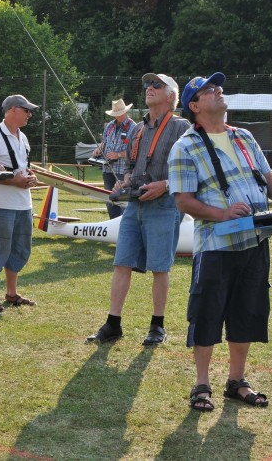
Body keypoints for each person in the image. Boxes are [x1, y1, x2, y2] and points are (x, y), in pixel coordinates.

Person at [169, 72, 272, 412]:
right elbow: (183, 201)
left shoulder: (244, 136)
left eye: (218, 87)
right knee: (207, 312)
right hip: (216, 246)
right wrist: (221, 214)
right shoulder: (185, 147)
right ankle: (202, 384)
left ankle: (237, 381)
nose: (218, 91)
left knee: (247, 311)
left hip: (256, 240)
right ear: (194, 106)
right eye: (209, 90)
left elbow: (269, 176)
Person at [86, 73, 190, 346]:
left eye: (156, 85)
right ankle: (113, 324)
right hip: (135, 204)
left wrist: (165, 185)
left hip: (164, 205)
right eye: (147, 85)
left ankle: (157, 326)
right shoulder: (137, 129)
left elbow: (192, 170)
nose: (149, 88)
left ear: (171, 96)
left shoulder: (182, 127)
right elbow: (131, 167)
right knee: (121, 262)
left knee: (160, 267)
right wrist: (125, 181)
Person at [0, 94, 40, 313]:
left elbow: (23, 167)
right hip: (0, 203)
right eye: (26, 110)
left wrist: (30, 176)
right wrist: (15, 181)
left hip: (24, 204)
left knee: (20, 249)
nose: (29, 114)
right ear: (13, 109)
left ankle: (12, 293)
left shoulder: (22, 138)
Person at [91, 98, 135, 219]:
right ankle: (112, 223)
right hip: (107, 169)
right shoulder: (110, 126)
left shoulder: (133, 127)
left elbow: (135, 151)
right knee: (109, 200)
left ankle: (122, 224)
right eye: (116, 114)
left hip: (123, 171)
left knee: (122, 200)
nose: (118, 116)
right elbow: (104, 142)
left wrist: (118, 155)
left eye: (120, 113)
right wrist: (98, 149)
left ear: (125, 112)